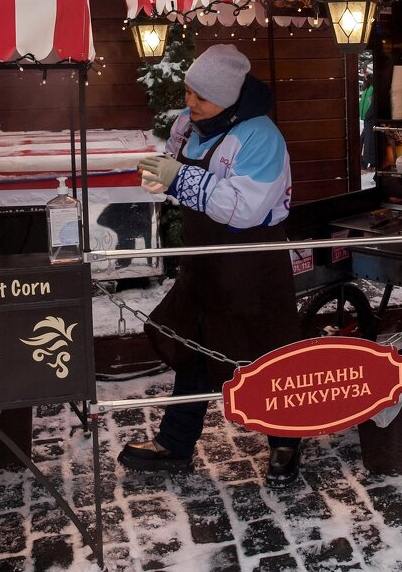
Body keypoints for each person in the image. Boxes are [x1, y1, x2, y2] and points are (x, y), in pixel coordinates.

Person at [119, 44, 303, 487]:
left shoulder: (262, 137)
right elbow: (178, 172)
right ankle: (176, 443)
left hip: (252, 266)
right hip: (204, 261)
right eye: (188, 91)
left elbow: (243, 209)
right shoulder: (187, 124)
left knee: (268, 356)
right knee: (194, 348)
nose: (190, 103)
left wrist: (177, 178)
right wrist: (160, 179)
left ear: (230, 98)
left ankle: (286, 442)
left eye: (202, 97)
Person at [359, 67, 376, 169]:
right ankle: (364, 162)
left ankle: (367, 162)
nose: (365, 80)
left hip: (371, 118)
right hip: (366, 119)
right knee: (362, 140)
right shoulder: (366, 89)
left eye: (367, 79)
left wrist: (368, 75)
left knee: (368, 142)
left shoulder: (373, 88)